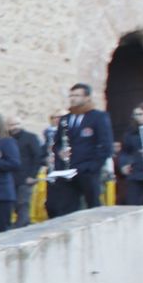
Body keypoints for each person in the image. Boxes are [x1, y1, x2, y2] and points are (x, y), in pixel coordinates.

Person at [48, 83, 113, 216]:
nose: (73, 98)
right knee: (66, 208)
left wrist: (93, 167)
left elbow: (105, 145)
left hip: (88, 170)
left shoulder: (98, 117)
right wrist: (60, 152)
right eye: (71, 95)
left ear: (87, 97)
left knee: (93, 206)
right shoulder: (65, 119)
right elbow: (57, 143)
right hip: (67, 170)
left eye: (77, 95)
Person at [6, 116, 47, 226]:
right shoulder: (5, 139)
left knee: (23, 204)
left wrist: (32, 175)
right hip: (9, 178)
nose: (14, 127)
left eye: (17, 124)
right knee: (11, 205)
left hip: (25, 177)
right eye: (11, 125)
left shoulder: (30, 138)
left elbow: (37, 158)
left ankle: (22, 228)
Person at [118, 104, 143, 206]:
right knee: (133, 203)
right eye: (135, 115)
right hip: (136, 173)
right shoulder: (131, 132)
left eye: (140, 114)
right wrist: (123, 164)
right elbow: (125, 151)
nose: (138, 117)